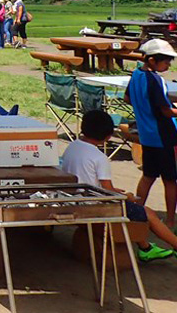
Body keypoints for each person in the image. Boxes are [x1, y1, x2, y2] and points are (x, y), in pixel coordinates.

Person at [61, 110, 177, 262]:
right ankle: (173, 245)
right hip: (94, 205)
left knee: (136, 211)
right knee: (148, 214)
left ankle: (146, 247)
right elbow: (108, 192)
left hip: (75, 198)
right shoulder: (99, 157)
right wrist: (127, 197)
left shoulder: (73, 146)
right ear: (108, 136)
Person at [124, 39, 177, 226]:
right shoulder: (154, 79)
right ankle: (171, 220)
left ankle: (137, 213)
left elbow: (127, 97)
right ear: (153, 60)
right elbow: (165, 111)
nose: (168, 64)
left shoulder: (136, 74)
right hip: (163, 136)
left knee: (148, 176)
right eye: (166, 61)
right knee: (170, 179)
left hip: (146, 135)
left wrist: (144, 109)